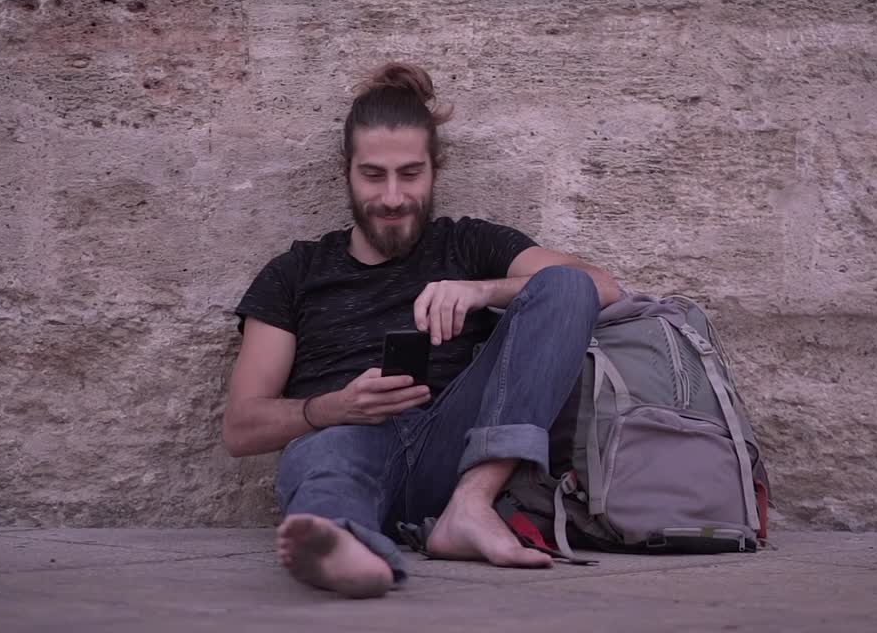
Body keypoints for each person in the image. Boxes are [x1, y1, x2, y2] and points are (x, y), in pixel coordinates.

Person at [222, 62, 622, 598]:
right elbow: (240, 428)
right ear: (347, 172)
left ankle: (471, 507)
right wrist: (332, 408)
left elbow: (599, 285)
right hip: (351, 445)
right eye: (373, 175)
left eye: (410, 174)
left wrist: (483, 290)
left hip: (458, 447)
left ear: (434, 170)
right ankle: (346, 544)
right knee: (318, 456)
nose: (392, 197)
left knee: (563, 286)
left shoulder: (468, 244)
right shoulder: (293, 274)